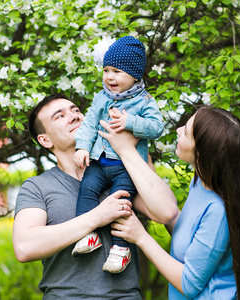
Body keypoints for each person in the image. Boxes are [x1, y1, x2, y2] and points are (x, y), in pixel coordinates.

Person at [12, 93, 177, 299]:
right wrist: (97, 217)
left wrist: (127, 151)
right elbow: (24, 247)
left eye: (76, 111)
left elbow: (167, 212)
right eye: (59, 116)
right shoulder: (38, 186)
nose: (74, 116)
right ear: (45, 140)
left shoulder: (124, 171)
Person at [99, 106, 240, 299]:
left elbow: (189, 284)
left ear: (202, 153)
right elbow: (188, 236)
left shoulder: (218, 211)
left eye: (185, 133)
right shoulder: (203, 184)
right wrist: (144, 183)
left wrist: (141, 237)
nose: (178, 131)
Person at [72, 36, 164, 274]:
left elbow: (156, 127)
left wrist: (130, 122)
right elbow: (90, 124)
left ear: (134, 75)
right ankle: (89, 236)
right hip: (99, 161)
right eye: (106, 70)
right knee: (87, 190)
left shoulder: (144, 101)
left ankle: (121, 249)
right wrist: (82, 147)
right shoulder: (102, 97)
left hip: (127, 166)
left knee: (121, 201)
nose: (109, 77)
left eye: (117, 71)